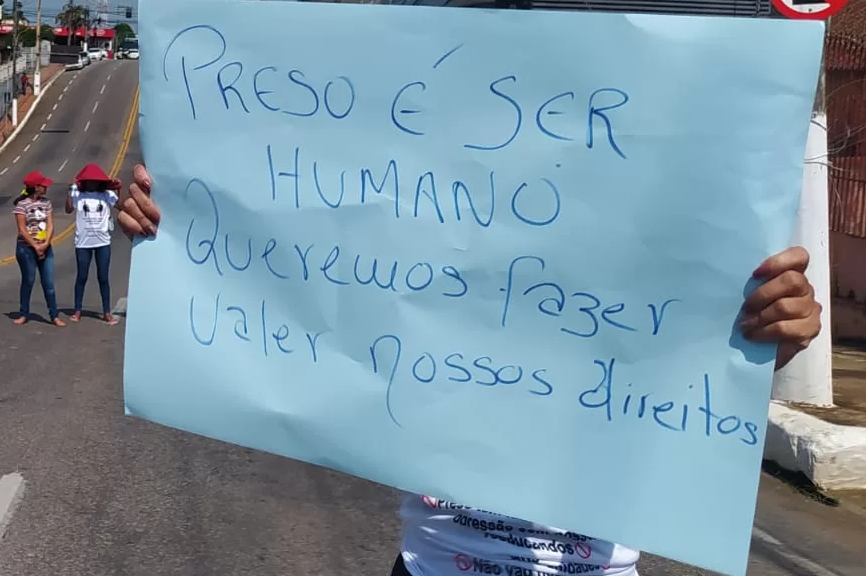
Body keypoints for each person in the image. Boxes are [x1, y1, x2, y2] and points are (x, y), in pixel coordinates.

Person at [112, 163, 823, 576]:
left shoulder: (632, 296)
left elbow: (698, 376)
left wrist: (765, 342)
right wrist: (176, 227)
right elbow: (293, 280)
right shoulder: (422, 282)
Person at [66, 163, 121, 324]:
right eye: (89, 181)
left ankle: (106, 312)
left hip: (102, 242)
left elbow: (121, 205)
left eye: (95, 181)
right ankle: (77, 310)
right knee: (82, 277)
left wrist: (119, 190)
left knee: (103, 278)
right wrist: (70, 191)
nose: (92, 183)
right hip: (83, 243)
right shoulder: (78, 194)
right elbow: (69, 209)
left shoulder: (107, 194)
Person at [13, 170, 67, 327]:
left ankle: (54, 315)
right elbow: (22, 229)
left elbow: (50, 224)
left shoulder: (46, 203)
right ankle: (24, 313)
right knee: (28, 281)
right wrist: (35, 246)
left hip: (45, 246)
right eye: (43, 185)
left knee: (49, 284)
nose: (46, 188)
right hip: (26, 248)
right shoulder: (22, 205)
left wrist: (45, 243)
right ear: (35, 187)